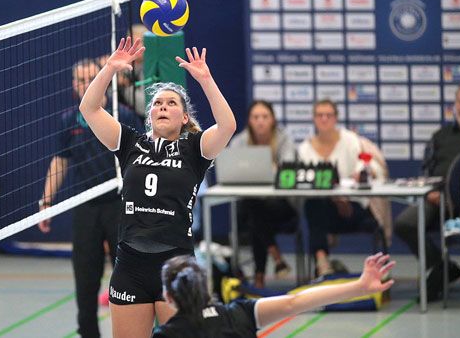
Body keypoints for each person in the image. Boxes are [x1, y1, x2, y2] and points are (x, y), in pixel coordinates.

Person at [80, 37, 236, 338]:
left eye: (171, 103)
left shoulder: (195, 149)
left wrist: (206, 80)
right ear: (150, 115)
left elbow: (227, 125)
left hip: (176, 266)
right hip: (130, 265)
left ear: (184, 116)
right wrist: (110, 69)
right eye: (158, 104)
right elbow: (90, 108)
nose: (163, 107)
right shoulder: (130, 142)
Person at [37, 60, 143, 338]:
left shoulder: (124, 115)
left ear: (103, 81)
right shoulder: (68, 120)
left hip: (120, 206)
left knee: (129, 278)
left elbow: (141, 162)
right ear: (74, 85)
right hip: (85, 207)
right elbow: (59, 162)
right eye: (80, 80)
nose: (84, 85)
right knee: (86, 282)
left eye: (90, 79)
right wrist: (45, 203)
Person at [394, 81, 460, 300]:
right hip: (438, 199)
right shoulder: (440, 136)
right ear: (455, 104)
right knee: (405, 223)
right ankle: (442, 266)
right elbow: (426, 170)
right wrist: (430, 192)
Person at [153, 252, 395, 338]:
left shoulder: (166, 334)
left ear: (168, 296)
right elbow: (296, 302)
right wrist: (359, 287)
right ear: (205, 288)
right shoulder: (239, 314)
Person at [297, 99, 386, 277]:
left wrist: (362, 173)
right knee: (313, 205)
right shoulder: (304, 149)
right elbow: (303, 181)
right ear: (313, 119)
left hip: (354, 207)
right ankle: (323, 263)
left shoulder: (350, 140)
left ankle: (324, 264)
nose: (324, 119)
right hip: (324, 210)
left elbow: (371, 167)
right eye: (319, 115)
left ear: (336, 118)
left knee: (316, 210)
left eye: (328, 115)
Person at [230, 100, 299, 288]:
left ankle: (259, 276)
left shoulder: (284, 139)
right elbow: (231, 169)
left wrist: (271, 170)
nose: (260, 121)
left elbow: (287, 171)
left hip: (281, 206)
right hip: (254, 206)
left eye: (265, 117)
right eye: (255, 117)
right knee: (254, 209)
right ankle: (275, 256)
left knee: (254, 212)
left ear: (273, 119)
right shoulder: (240, 141)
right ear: (249, 121)